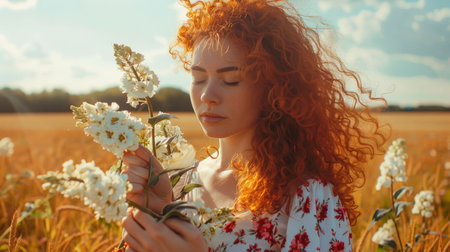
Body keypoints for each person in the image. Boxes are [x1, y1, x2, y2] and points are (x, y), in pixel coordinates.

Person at [121, 0, 387, 251]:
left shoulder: (308, 197)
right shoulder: (179, 184)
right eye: (198, 78)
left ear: (273, 87)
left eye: (231, 79)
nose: (207, 95)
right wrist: (155, 209)